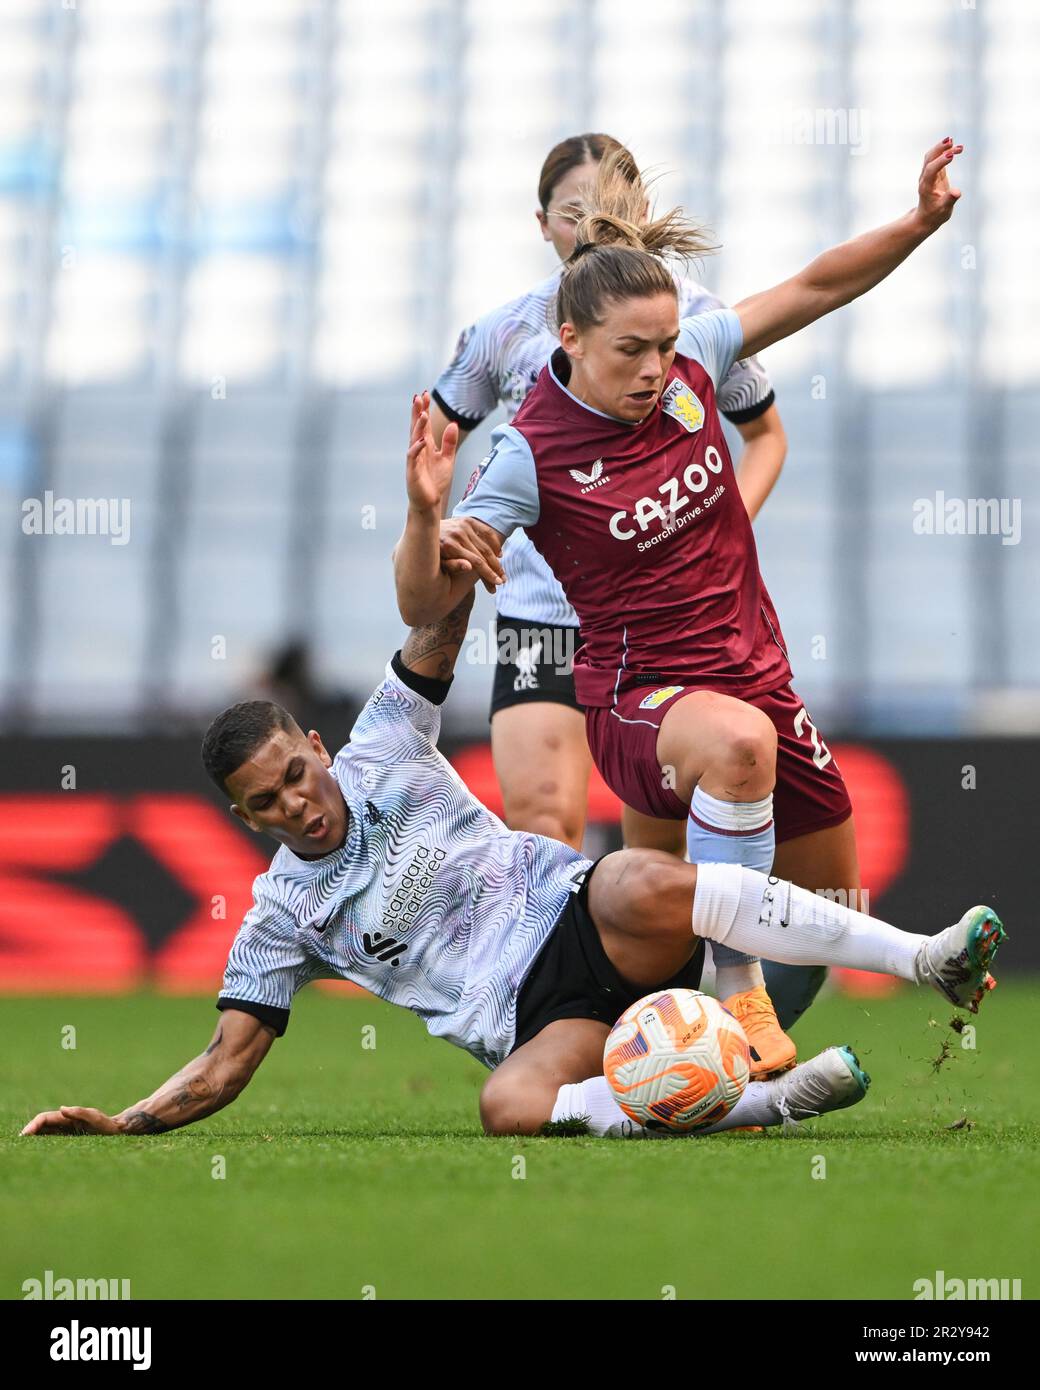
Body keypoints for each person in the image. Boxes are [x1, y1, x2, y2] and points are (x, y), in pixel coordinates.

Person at [20, 396, 1004, 1142]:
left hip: (584, 918)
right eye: (264, 800)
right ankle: (768, 1102)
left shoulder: (381, 743)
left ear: (314, 748)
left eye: (291, 771)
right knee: (508, 1106)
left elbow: (437, 631)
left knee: (629, 874)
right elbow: (225, 1061)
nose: (293, 801)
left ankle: (923, 956)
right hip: (537, 1016)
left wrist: (439, 515)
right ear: (247, 819)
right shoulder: (281, 915)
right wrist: (122, 1123)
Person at [397, 137, 968, 1075]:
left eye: (666, 345)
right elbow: (425, 603)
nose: (657, 367)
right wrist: (426, 520)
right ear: (569, 341)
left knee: (823, 906)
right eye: (633, 349)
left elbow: (816, 287)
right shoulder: (528, 456)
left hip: (754, 671)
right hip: (640, 696)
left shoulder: (693, 360)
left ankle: (711, 1069)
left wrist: (916, 222)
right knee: (727, 766)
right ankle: (706, 997)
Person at [431, 133, 786, 864]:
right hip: (541, 615)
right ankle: (576, 980)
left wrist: (710, 533)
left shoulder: (693, 320)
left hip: (663, 621)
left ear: (642, 210)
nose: (589, 223)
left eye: (613, 207)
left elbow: (767, 436)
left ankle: (705, 975)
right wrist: (443, 531)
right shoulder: (503, 332)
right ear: (542, 225)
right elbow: (436, 445)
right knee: (542, 829)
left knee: (669, 849)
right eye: (572, 210)